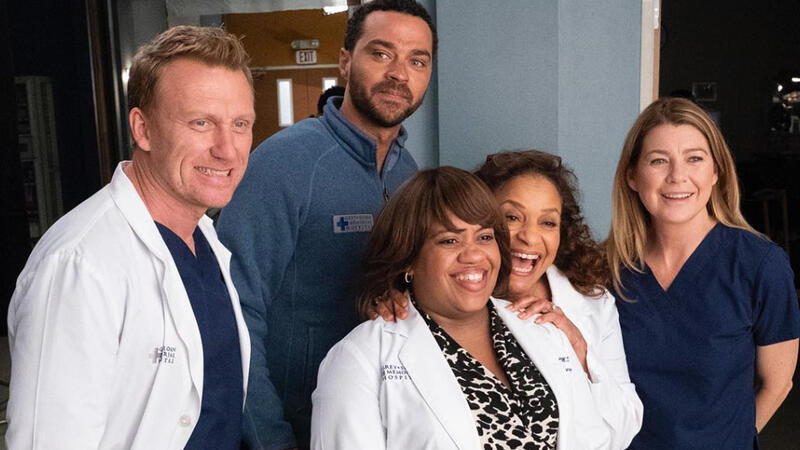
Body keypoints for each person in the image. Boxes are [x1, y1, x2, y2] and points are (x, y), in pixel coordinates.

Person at [6, 26, 255, 449]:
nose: (227, 149)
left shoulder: (203, 238)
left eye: (240, 124)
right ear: (143, 129)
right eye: (201, 123)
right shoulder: (79, 265)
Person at [216, 1, 436, 448]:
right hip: (295, 427)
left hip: (381, 425)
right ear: (345, 61)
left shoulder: (409, 174)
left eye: (417, 61)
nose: (399, 73)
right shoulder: (283, 164)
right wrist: (269, 438)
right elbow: (233, 313)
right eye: (381, 53)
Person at [311, 167, 613, 449]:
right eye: (449, 241)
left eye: (485, 237)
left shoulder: (541, 329)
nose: (474, 255)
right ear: (408, 259)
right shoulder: (359, 359)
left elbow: (593, 440)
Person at [607, 97, 800, 448]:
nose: (677, 176)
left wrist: (732, 441)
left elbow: (778, 383)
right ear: (632, 176)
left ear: (716, 172)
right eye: (658, 160)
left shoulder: (760, 265)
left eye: (694, 158)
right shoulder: (606, 268)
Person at [474, 150, 643, 449]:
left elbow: (626, 424)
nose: (529, 237)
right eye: (512, 217)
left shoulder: (594, 303)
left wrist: (580, 351)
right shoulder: (455, 302)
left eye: (548, 223)